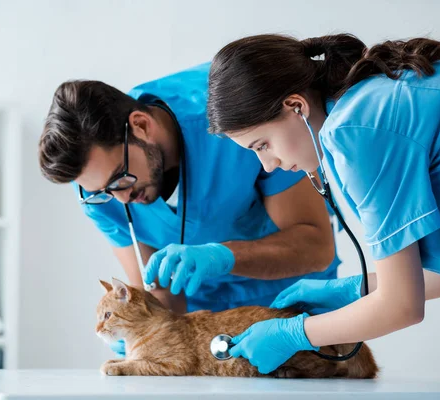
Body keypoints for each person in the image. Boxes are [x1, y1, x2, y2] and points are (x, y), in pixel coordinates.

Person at [206, 33, 440, 374]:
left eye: (262, 145)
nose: (268, 165)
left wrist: (294, 334)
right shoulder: (372, 99)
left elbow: (402, 305)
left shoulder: (352, 132)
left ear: (296, 106)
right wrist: (356, 289)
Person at [39, 63, 341, 357]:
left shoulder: (236, 117)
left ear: (141, 126)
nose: (121, 198)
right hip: (203, 335)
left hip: (293, 310)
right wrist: (141, 333)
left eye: (121, 178)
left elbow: (316, 245)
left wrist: (225, 256)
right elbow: (159, 292)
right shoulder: (96, 189)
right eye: (104, 191)